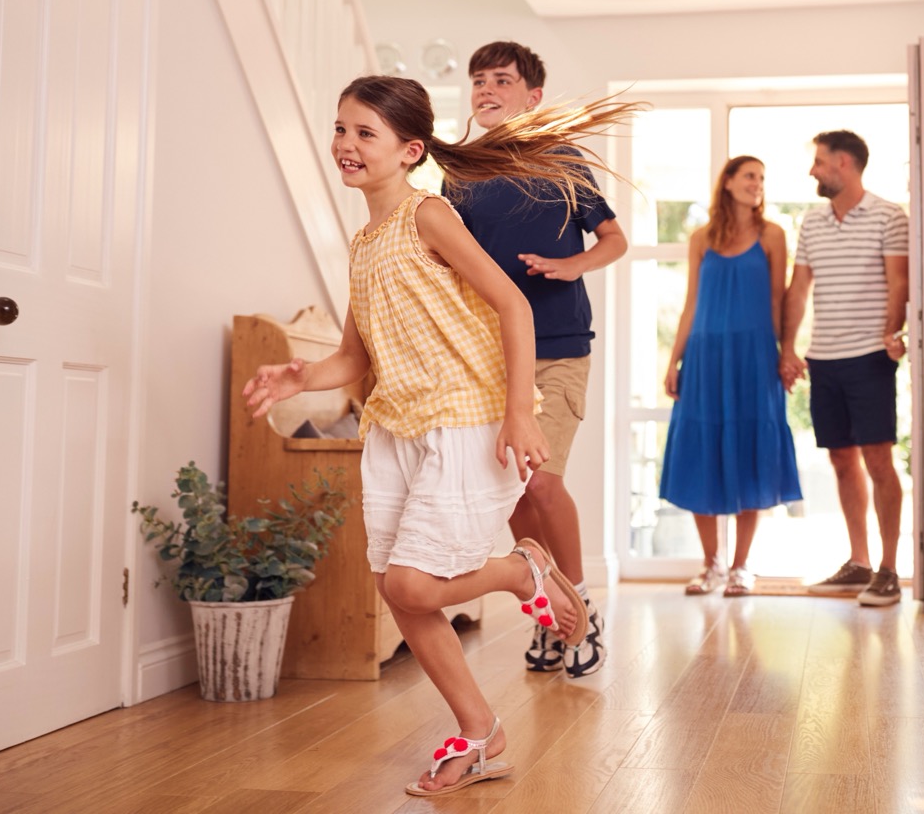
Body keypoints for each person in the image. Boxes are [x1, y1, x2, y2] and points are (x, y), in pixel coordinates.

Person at [243, 75, 634, 797]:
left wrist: (520, 411)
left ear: (410, 150)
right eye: (341, 129)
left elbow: (514, 306)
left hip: (462, 420)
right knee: (402, 594)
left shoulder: (429, 216)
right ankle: (481, 734)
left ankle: (525, 572)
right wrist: (301, 377)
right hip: (396, 428)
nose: (346, 145)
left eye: (365, 133)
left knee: (412, 581)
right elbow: (354, 358)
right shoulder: (363, 244)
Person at [449, 40, 625, 678]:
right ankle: (549, 611)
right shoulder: (461, 170)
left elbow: (613, 238)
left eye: (501, 80)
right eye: (478, 82)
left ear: (533, 97)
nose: (487, 91)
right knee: (514, 495)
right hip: (488, 357)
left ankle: (579, 607)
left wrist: (570, 265)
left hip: (557, 349)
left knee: (543, 482)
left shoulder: (564, 160)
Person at [658, 156, 802, 596]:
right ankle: (711, 564)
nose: (757, 184)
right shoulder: (701, 238)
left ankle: (742, 566)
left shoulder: (773, 235)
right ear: (728, 183)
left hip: (754, 355)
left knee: (749, 451)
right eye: (750, 176)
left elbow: (779, 300)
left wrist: (783, 353)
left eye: (762, 177)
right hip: (704, 356)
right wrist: (674, 359)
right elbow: (690, 303)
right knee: (703, 451)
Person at [779, 129, 910, 607]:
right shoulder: (812, 222)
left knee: (878, 460)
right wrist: (788, 348)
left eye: (819, 162)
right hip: (824, 358)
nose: (813, 170)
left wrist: (892, 333)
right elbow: (798, 290)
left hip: (869, 357)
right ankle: (858, 562)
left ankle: (890, 568)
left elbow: (899, 283)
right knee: (840, 459)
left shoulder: (889, 216)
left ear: (845, 165)